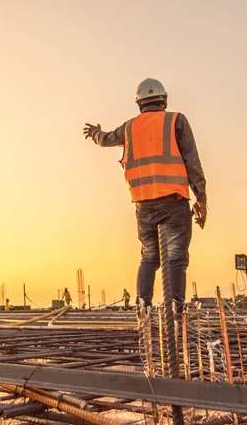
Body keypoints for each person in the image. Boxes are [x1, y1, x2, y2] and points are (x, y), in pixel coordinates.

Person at [84, 78, 207, 313]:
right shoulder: (175, 121)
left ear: (139, 103)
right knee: (175, 257)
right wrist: (201, 197)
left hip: (143, 204)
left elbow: (106, 139)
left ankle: (143, 304)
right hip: (174, 200)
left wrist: (95, 133)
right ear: (164, 99)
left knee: (150, 256)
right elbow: (192, 161)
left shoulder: (129, 128)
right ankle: (174, 307)